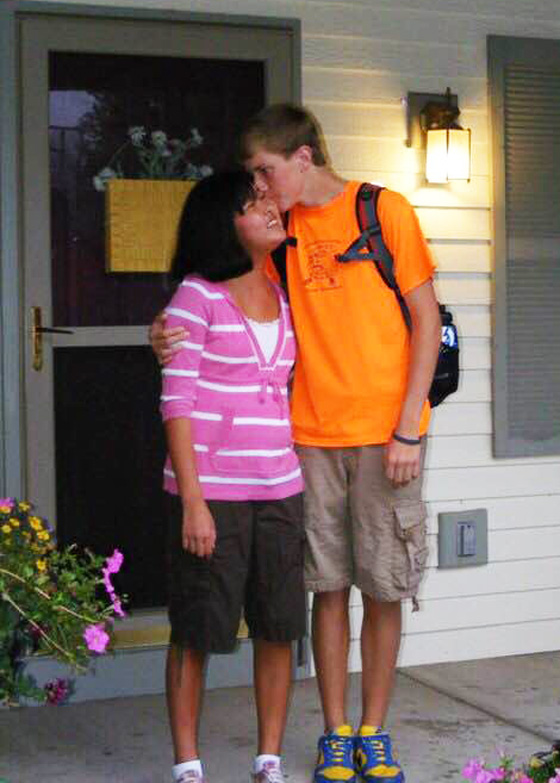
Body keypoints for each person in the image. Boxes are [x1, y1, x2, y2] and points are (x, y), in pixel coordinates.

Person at [153, 105, 441, 783]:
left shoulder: (383, 211)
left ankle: (375, 729)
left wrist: (409, 427)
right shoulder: (279, 235)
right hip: (305, 438)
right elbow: (223, 289)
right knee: (328, 587)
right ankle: (336, 732)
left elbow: (425, 321)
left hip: (384, 438)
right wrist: (162, 332)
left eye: (264, 170)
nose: (258, 186)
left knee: (384, 583)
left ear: (304, 157)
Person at [160, 169, 306, 783]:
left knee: (276, 627)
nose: (272, 208)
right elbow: (178, 403)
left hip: (282, 490)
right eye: (255, 203)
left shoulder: (284, 295)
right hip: (214, 495)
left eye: (268, 198)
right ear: (227, 224)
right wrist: (193, 501)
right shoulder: (197, 297)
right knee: (197, 629)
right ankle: (189, 764)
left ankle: (267, 759)